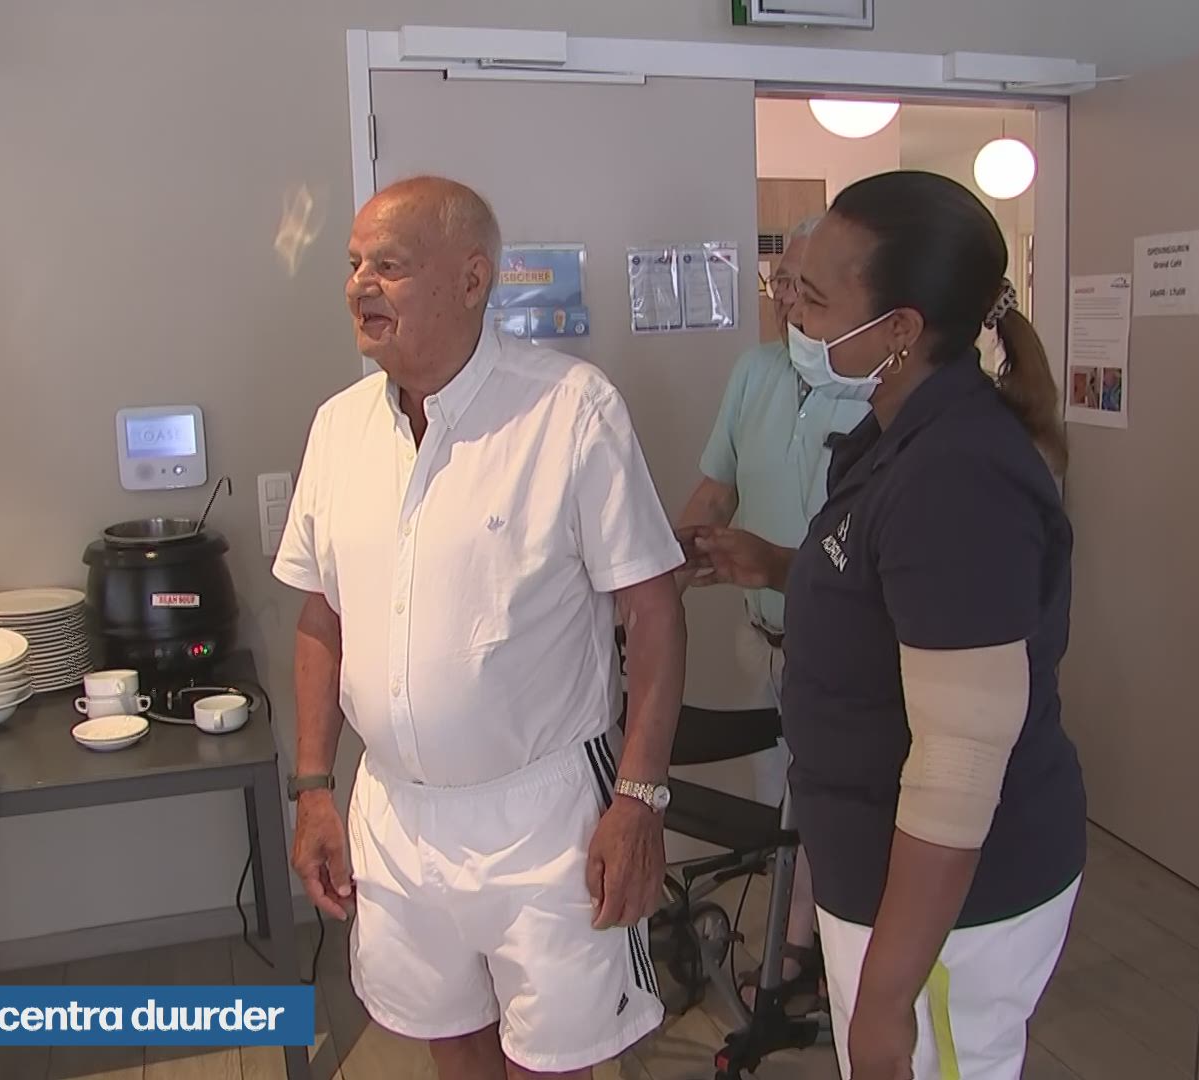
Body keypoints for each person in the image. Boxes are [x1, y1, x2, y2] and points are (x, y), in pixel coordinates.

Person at [275, 176, 687, 1080]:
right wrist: (312, 786)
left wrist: (639, 799)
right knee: (449, 1038)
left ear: (472, 280)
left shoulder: (569, 410)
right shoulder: (339, 430)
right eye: (354, 264)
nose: (359, 285)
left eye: (388, 266)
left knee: (556, 1061)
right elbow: (320, 615)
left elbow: (654, 610)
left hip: (545, 817)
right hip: (396, 812)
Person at [691, 170, 1084, 1080]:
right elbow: (891, 595)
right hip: (880, 874)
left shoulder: (957, 476)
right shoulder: (896, 435)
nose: (793, 316)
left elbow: (959, 762)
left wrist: (883, 997)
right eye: (786, 289)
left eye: (815, 299)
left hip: (953, 911)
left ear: (900, 329)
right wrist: (783, 568)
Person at [674, 213, 867, 1009]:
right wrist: (659, 574)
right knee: (784, 807)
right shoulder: (755, 372)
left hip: (846, 648)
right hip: (765, 639)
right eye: (779, 282)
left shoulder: (877, 387)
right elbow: (715, 492)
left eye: (803, 286)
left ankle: (804, 961)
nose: (786, 300)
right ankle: (801, 943)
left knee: (831, 813)